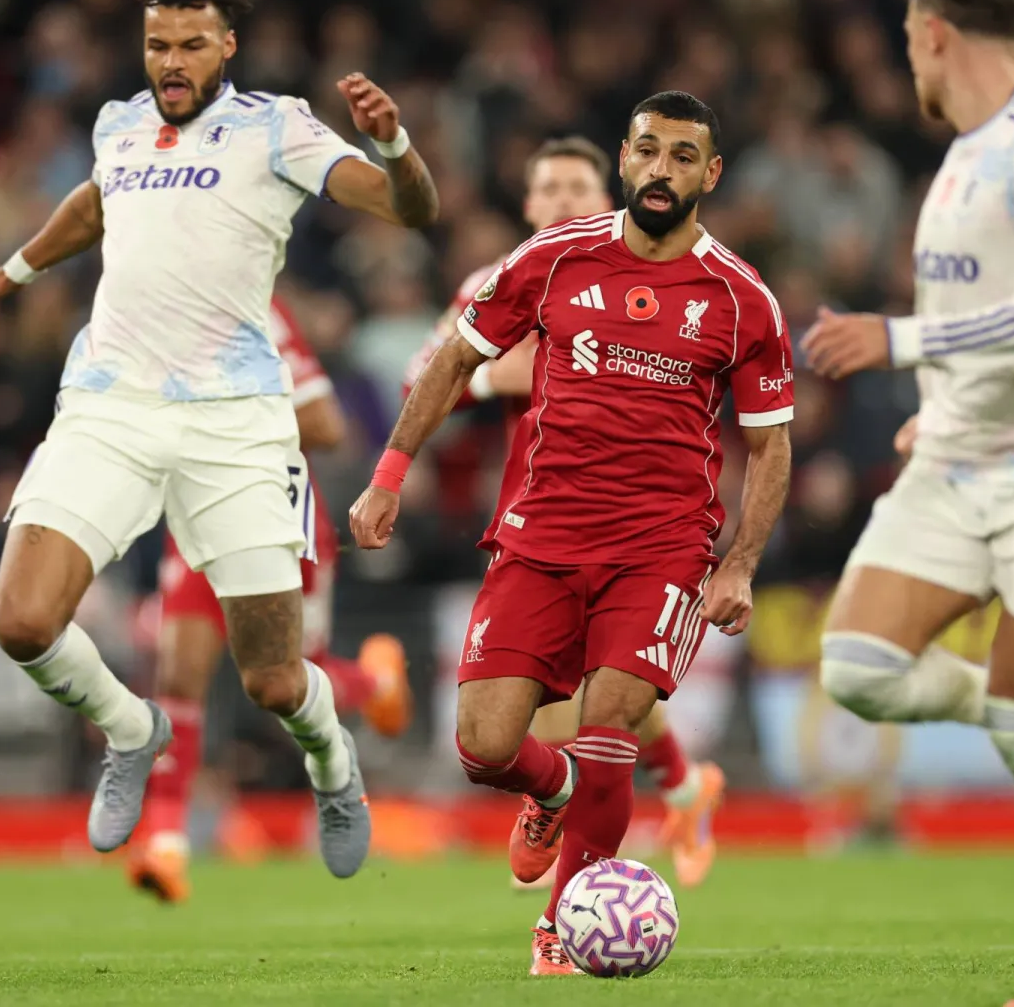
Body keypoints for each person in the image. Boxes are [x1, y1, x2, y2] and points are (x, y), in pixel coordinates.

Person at [0, 0, 439, 878]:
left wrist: (393, 144)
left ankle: (335, 766)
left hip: (235, 422)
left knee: (277, 682)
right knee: (21, 621)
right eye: (158, 44)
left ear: (228, 47)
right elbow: (96, 207)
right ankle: (133, 731)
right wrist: (13, 272)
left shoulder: (276, 127)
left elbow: (411, 210)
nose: (172, 61)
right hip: (111, 403)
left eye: (191, 45)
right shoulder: (120, 125)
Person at [353, 91, 794, 975]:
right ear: (624, 162)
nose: (661, 171)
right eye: (647, 152)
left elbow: (771, 441)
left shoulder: (742, 297)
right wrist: (389, 476)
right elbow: (452, 359)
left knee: (607, 732)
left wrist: (738, 563)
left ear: (710, 175)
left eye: (681, 156)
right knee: (483, 745)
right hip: (540, 536)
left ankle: (562, 924)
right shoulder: (550, 261)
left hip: (661, 548)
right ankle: (551, 790)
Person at [802, 0, 1014, 1003]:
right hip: (957, 458)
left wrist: (898, 342)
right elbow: (980, 316)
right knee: (856, 667)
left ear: (935, 32)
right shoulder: (954, 163)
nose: (909, 57)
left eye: (908, 36)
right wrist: (938, 404)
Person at [408, 136, 727, 893]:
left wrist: (505, 367)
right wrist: (493, 377)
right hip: (536, 513)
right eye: (545, 189)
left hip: (634, 519)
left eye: (574, 189)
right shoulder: (499, 280)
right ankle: (679, 785)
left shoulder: (642, 272)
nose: (559, 202)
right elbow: (424, 377)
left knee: (594, 705)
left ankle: (562, 909)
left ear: (608, 193)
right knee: (575, 703)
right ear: (526, 205)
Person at [129, 298, 413, 902]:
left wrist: (217, 412)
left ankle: (373, 682)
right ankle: (166, 846)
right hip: (197, 519)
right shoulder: (145, 306)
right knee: (178, 675)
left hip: (280, 520)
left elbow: (328, 425)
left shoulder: (257, 309)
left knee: (286, 687)